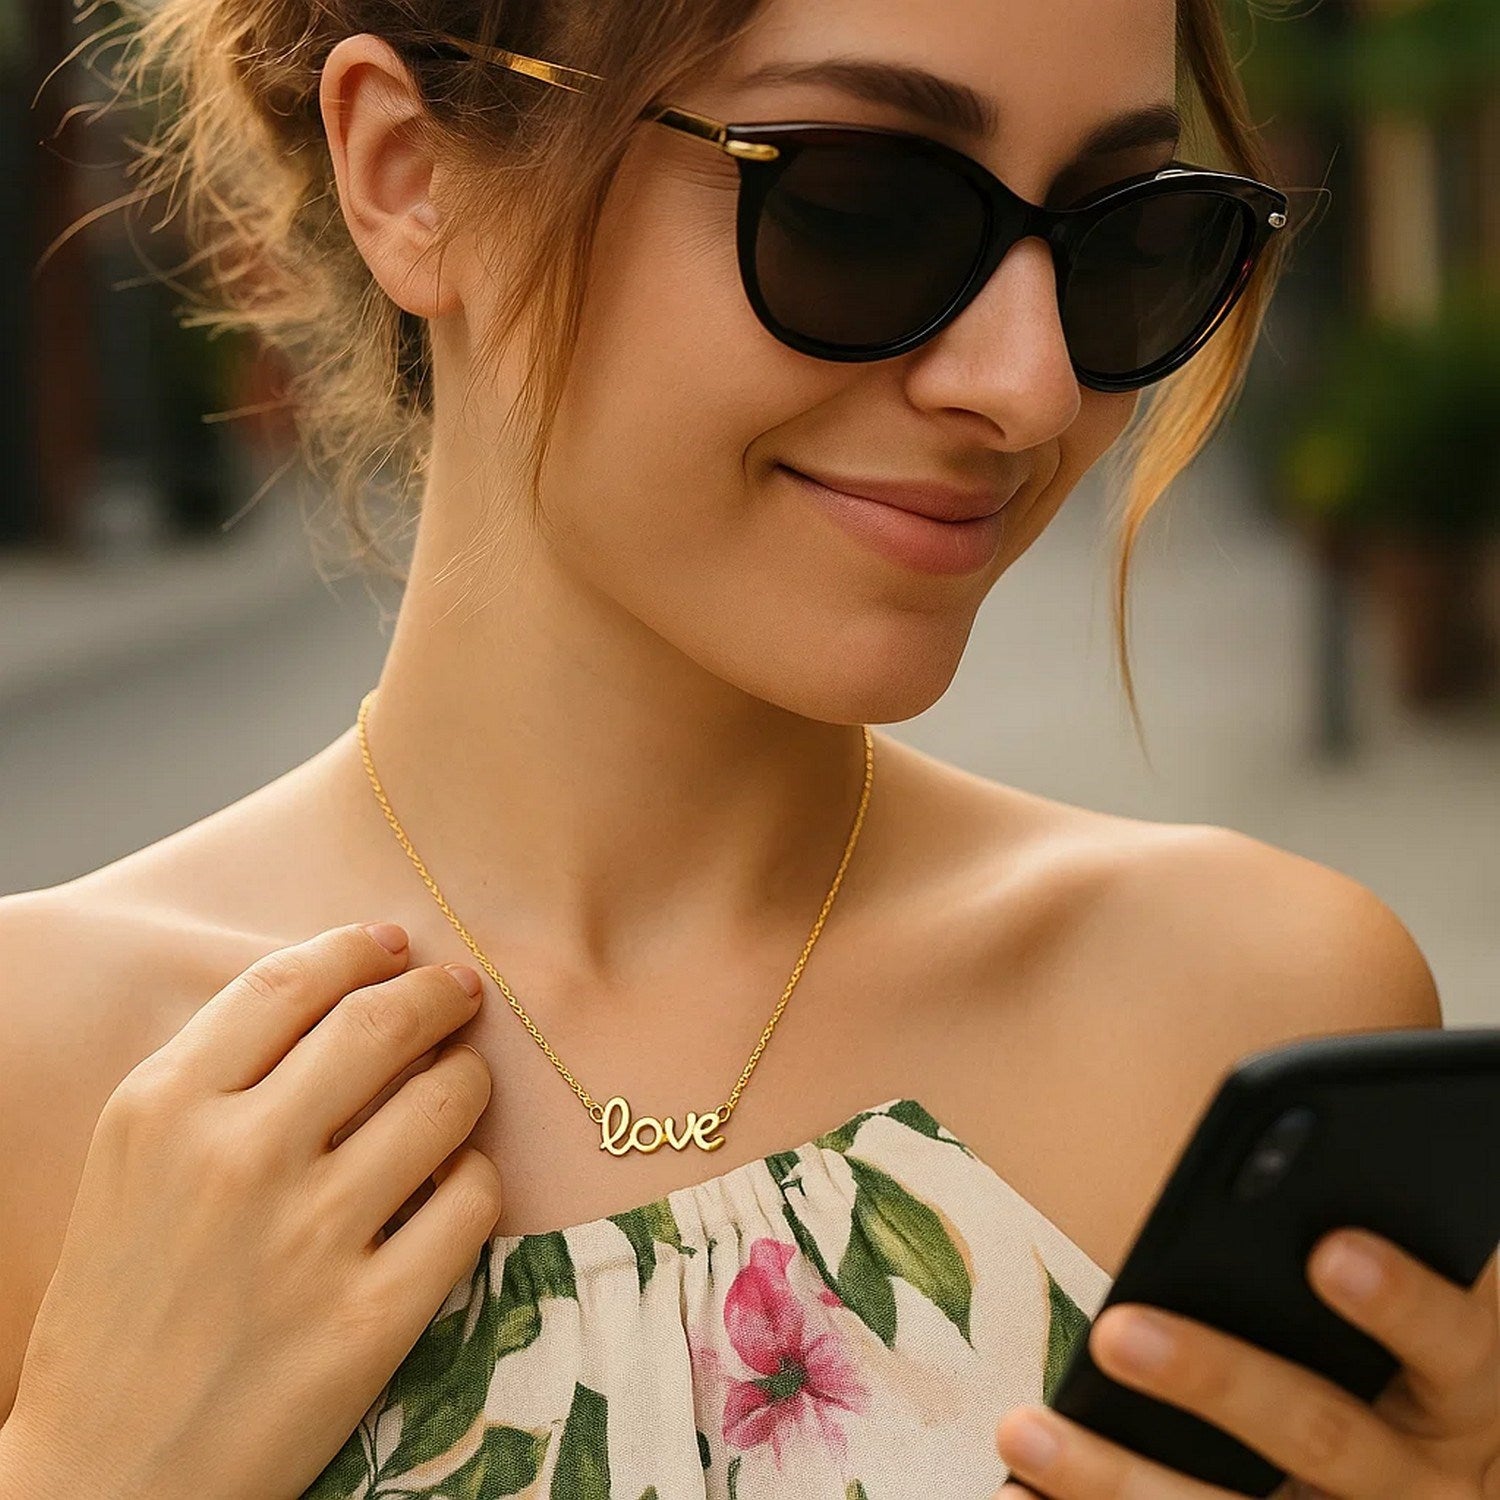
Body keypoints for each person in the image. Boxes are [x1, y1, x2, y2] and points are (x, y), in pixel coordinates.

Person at [1, 1, 1495, 1497]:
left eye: (1123, 239)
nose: (1030, 386)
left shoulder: (1239, 1013)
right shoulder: (48, 1091)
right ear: (408, 174)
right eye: (862, 211)